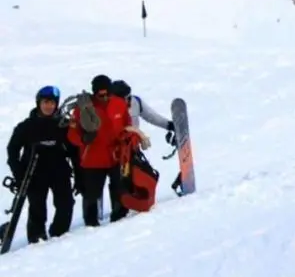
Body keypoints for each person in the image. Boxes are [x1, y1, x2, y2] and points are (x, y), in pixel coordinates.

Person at [5, 85, 78, 243]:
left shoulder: (64, 125)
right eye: (45, 102)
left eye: (52, 103)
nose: (49, 106)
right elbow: (12, 151)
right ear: (38, 103)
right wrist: (19, 175)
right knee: (37, 209)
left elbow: (74, 150)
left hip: (59, 171)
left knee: (66, 204)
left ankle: (59, 235)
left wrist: (79, 176)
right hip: (34, 174)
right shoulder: (26, 126)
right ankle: (36, 239)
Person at [67, 74, 133, 225]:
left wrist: (127, 139)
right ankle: (90, 223)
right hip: (92, 160)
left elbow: (127, 124)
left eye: (107, 94)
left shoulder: (120, 104)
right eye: (100, 95)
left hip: (116, 156)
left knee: (119, 187)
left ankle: (119, 217)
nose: (104, 97)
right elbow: (72, 135)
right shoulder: (82, 109)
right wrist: (83, 139)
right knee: (91, 194)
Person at [110, 80, 174, 140]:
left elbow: (151, 116)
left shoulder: (135, 102)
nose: (128, 100)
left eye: (129, 97)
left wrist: (169, 125)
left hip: (132, 145)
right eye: (125, 98)